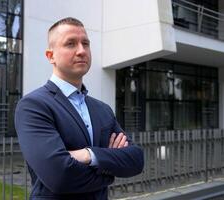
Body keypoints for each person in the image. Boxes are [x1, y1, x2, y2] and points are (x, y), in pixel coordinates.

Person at [15, 17, 144, 200]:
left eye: (86, 43)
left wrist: (87, 155)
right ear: (50, 56)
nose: (82, 51)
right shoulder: (34, 106)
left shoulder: (102, 109)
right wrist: (109, 170)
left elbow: (136, 160)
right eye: (70, 44)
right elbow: (58, 176)